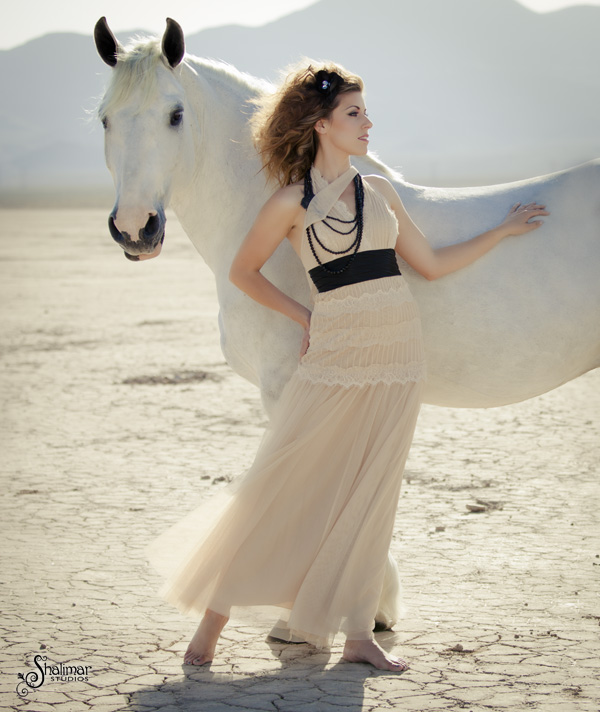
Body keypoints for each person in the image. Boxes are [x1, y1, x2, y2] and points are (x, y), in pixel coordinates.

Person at [146, 62, 548, 672]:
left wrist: (503, 231)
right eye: (354, 114)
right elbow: (242, 272)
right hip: (336, 354)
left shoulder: (380, 192)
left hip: (399, 354)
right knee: (279, 485)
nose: (367, 123)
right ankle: (209, 628)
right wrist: (302, 318)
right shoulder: (288, 201)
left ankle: (359, 635)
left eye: (365, 113)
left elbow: (433, 265)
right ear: (320, 125)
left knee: (372, 494)